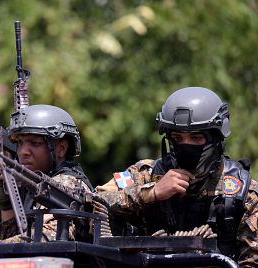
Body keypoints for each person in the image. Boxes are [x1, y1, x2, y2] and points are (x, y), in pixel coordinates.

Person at [96, 87, 258, 267]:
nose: (186, 145)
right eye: (178, 138)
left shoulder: (244, 192)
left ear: (216, 139)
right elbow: (96, 201)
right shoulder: (147, 174)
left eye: (196, 138)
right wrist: (152, 193)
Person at [0, 104, 93, 261]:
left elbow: (46, 239)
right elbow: (12, 246)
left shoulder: (68, 182)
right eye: (19, 143)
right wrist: (6, 205)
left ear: (61, 149)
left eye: (35, 143)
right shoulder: (37, 185)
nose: (23, 151)